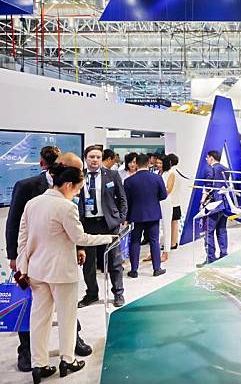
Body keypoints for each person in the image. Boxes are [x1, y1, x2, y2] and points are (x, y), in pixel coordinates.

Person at [16, 163, 115, 383]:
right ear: (68, 185)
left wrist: (23, 266)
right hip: (61, 273)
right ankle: (67, 360)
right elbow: (80, 238)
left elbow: (22, 238)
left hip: (36, 271)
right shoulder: (65, 207)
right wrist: (109, 238)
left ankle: (39, 365)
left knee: (39, 319)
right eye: (78, 189)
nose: (78, 193)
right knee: (67, 317)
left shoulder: (33, 203)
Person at [4, 147, 92, 373]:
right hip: (40, 265)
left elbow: (75, 221)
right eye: (77, 173)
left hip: (58, 259)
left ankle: (62, 352)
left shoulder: (70, 192)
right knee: (37, 313)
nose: (79, 178)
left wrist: (79, 246)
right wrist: (15, 257)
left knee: (61, 312)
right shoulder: (27, 187)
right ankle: (29, 353)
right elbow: (15, 224)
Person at [77, 146, 128, 309]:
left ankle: (118, 292)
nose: (95, 160)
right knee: (88, 263)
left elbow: (122, 198)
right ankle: (92, 293)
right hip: (87, 225)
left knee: (114, 261)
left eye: (98, 157)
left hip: (109, 224)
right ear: (85, 158)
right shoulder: (79, 177)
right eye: (91, 157)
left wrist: (121, 218)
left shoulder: (112, 175)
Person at [124, 153, 168, 278]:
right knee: (154, 241)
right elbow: (163, 195)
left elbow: (127, 201)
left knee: (135, 241)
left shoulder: (129, 181)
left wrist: (126, 217)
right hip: (153, 214)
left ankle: (134, 270)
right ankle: (156, 268)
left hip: (136, 215)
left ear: (136, 164)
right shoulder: (157, 178)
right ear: (149, 163)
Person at [197, 150, 229, 267]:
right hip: (224, 203)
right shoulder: (226, 169)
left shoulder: (209, 169)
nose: (206, 159)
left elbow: (207, 188)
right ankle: (224, 254)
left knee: (208, 232)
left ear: (211, 158)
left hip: (213, 205)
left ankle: (210, 258)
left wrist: (202, 202)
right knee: (222, 230)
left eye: (207, 157)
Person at [166, 154, 182, 250]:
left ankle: (172, 243)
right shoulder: (178, 171)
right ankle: (174, 242)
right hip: (177, 201)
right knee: (175, 223)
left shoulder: (172, 172)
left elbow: (169, 189)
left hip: (171, 202)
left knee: (172, 224)